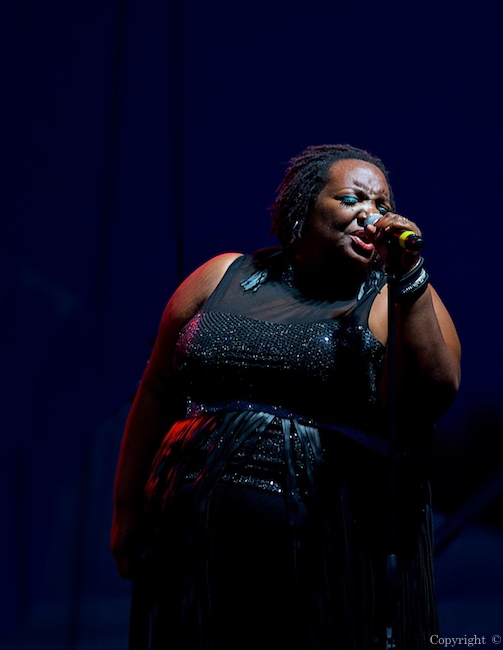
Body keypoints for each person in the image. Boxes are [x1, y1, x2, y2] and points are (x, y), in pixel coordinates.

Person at [111, 144, 461, 650]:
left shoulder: (392, 297)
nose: (372, 214)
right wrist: (126, 513)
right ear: (304, 206)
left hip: (318, 555)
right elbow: (158, 389)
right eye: (352, 199)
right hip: (192, 544)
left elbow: (434, 393)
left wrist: (407, 274)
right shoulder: (222, 275)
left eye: (383, 206)